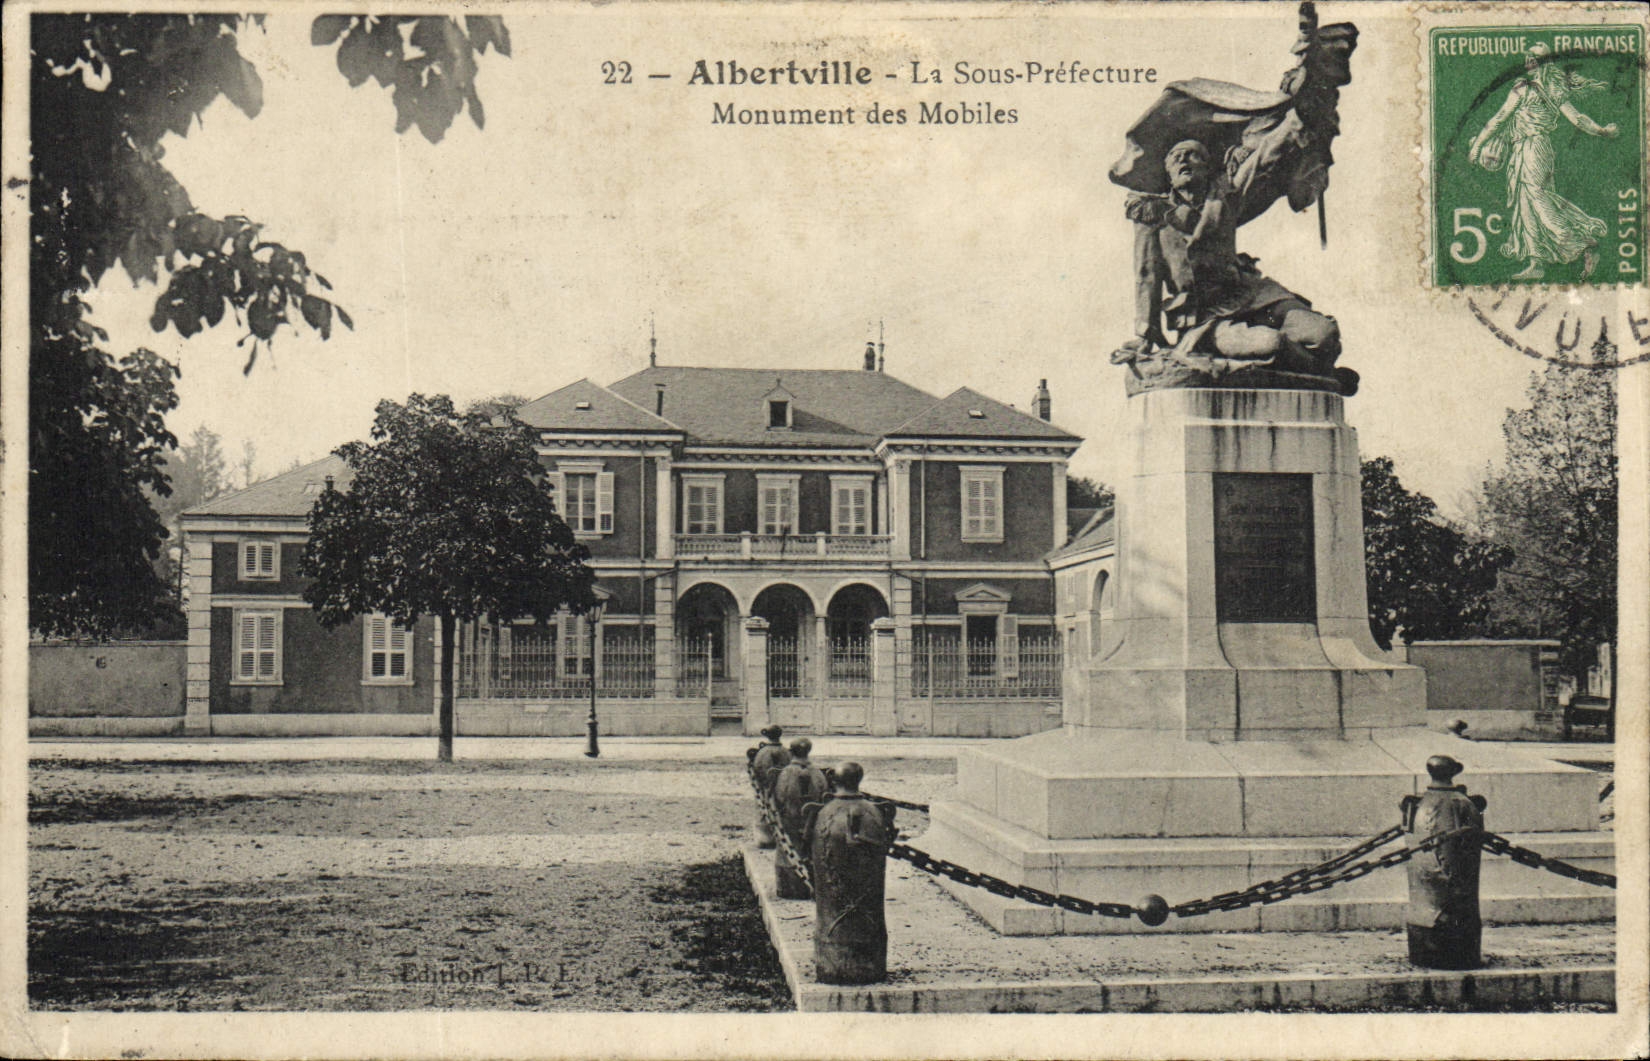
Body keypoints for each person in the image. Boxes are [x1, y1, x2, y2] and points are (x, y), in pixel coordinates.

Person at [1123, 138, 1342, 378]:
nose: (1183, 160)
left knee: (1324, 334)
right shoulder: (1154, 217)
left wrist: (1295, 124)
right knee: (1271, 343)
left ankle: (1309, 367)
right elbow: (1146, 276)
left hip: (1252, 296)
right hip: (1205, 317)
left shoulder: (1224, 198)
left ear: (1207, 169)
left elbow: (1261, 160)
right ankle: (1322, 372)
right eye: (1175, 157)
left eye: (1192, 155)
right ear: (1169, 174)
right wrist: (1144, 333)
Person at [1469, 43, 1617, 281]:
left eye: (1533, 58)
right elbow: (1578, 119)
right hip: (1527, 149)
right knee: (1525, 203)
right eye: (1527, 57)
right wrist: (1601, 131)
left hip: (1533, 148)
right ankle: (1536, 262)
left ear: (1543, 62)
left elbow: (1499, 119)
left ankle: (1582, 244)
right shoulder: (1549, 88)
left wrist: (1477, 147)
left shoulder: (1525, 89)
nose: (1528, 61)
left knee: (1538, 199)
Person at [805, 761, 895, 984]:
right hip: (870, 937)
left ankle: (834, 960)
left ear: (834, 781)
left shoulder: (826, 811)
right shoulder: (871, 811)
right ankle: (866, 961)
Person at [772, 738, 829, 900]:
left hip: (790, 824)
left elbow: (780, 797)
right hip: (812, 826)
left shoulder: (786, 773)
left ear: (791, 751)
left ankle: (790, 888)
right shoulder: (818, 774)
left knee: (789, 851)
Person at [749, 725, 790, 849]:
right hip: (783, 791)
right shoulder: (786, 752)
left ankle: (765, 838)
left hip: (766, 791)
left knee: (764, 809)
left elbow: (757, 773)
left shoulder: (762, 753)